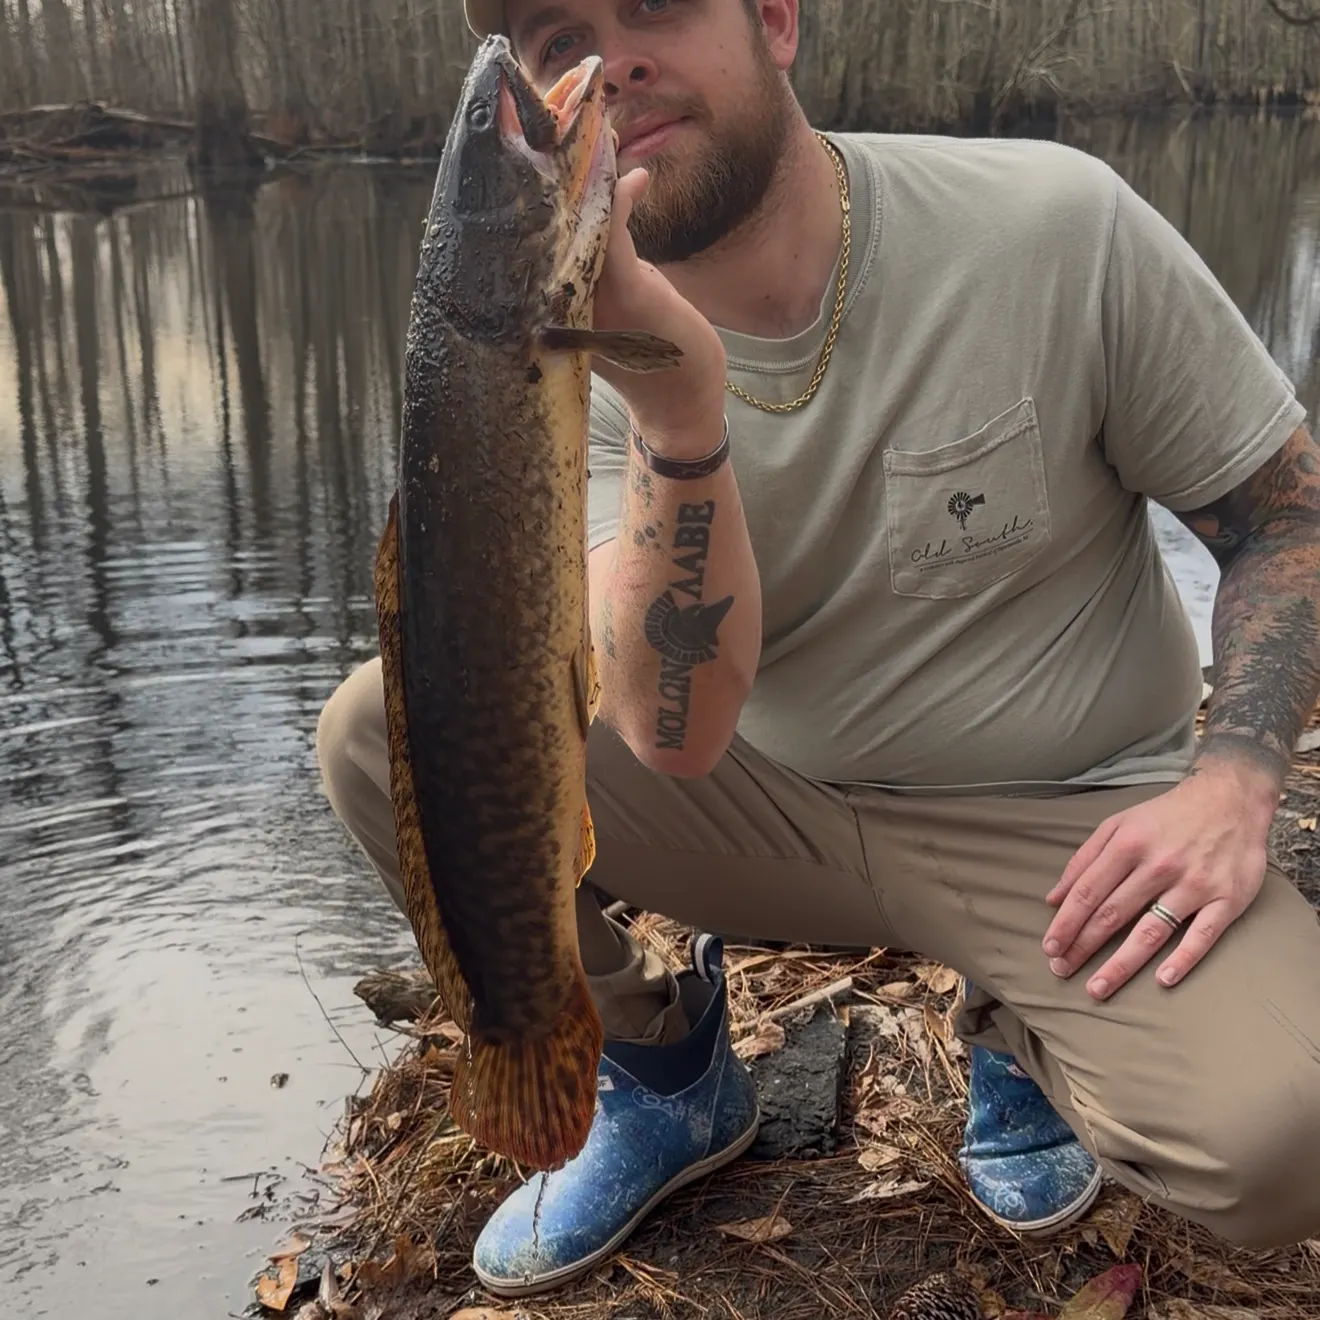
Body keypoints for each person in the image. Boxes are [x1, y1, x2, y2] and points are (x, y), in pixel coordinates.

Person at [316, 0, 1320, 1298]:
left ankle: (1024, 1030)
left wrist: (1235, 780)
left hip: (1056, 826)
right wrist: (679, 404)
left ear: (776, 21)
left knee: (1285, 1135)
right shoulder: (574, 355)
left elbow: (1286, 517)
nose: (610, 62)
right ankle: (663, 1072)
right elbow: (673, 730)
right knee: (378, 732)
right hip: (763, 808)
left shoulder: (1053, 228)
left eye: (654, 5)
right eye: (558, 39)